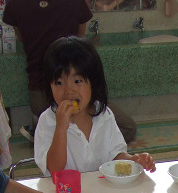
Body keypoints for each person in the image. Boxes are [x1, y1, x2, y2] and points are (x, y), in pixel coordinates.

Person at [1, 0, 137, 143]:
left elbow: (22, 37)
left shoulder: (16, 4)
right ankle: (46, 132)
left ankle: (43, 130)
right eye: (59, 82)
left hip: (39, 96)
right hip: (48, 95)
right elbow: (79, 40)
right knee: (125, 127)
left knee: (68, 131)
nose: (68, 90)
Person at [33, 36, 155, 174]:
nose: (68, 91)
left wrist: (133, 160)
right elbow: (54, 168)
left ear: (93, 83)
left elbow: (115, 156)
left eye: (77, 81)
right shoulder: (48, 121)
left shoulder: (104, 115)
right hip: (63, 188)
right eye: (59, 83)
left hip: (100, 187)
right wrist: (61, 127)